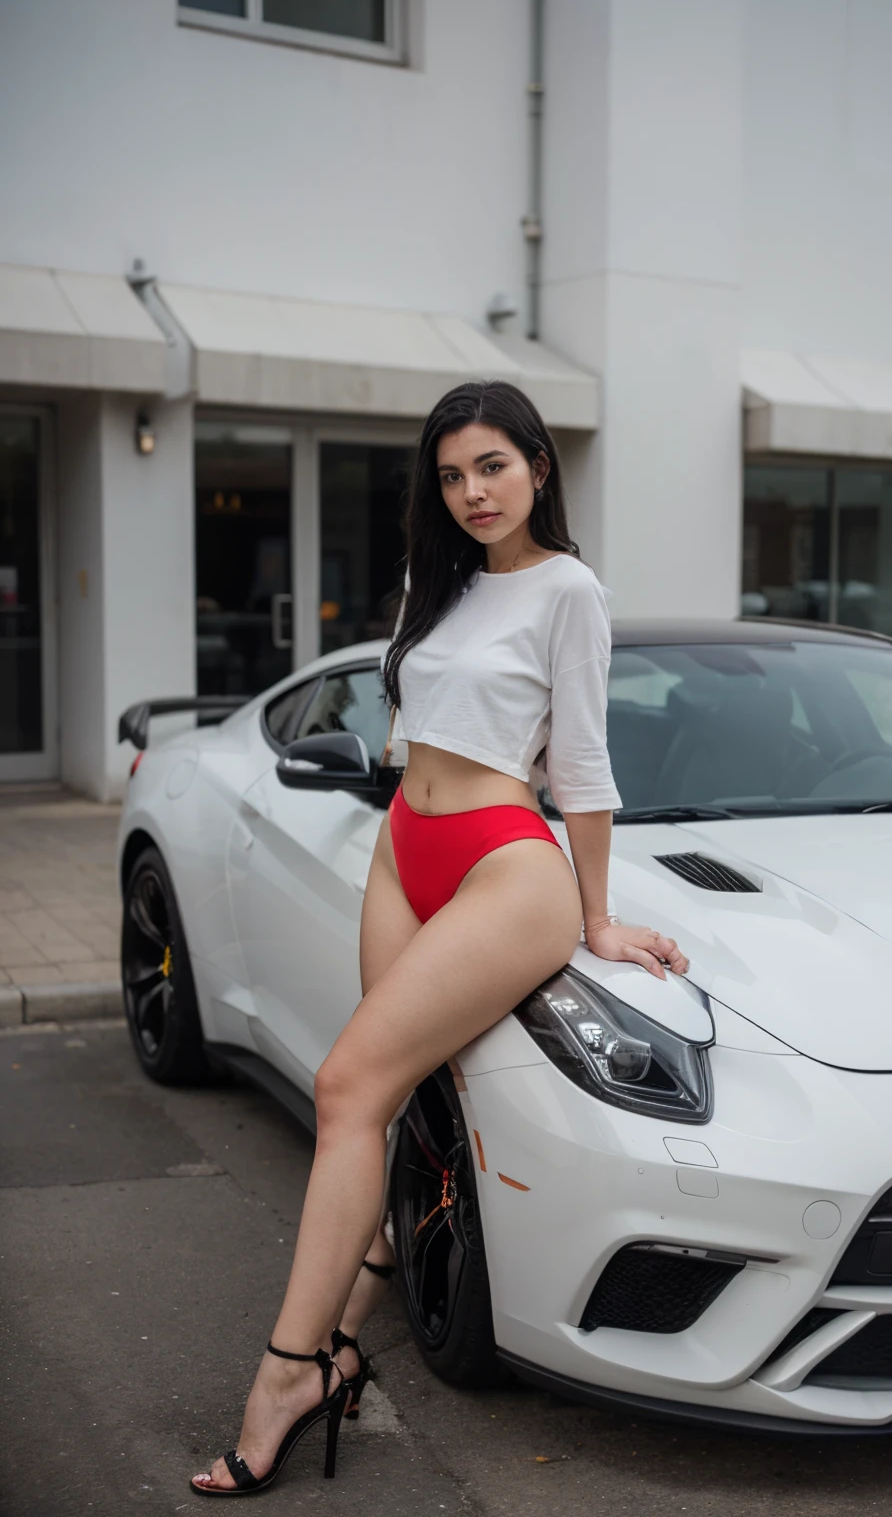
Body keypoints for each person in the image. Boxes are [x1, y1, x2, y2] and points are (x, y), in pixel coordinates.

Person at [191, 380, 689, 1496]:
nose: (471, 492)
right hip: (403, 841)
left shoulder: (569, 590)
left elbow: (583, 767)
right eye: (453, 474)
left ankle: (286, 1374)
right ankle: (347, 1346)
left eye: (492, 468)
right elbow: (414, 729)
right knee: (404, 1101)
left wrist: (597, 915)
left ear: (538, 468)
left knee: (343, 1089)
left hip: (506, 863)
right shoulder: (437, 580)